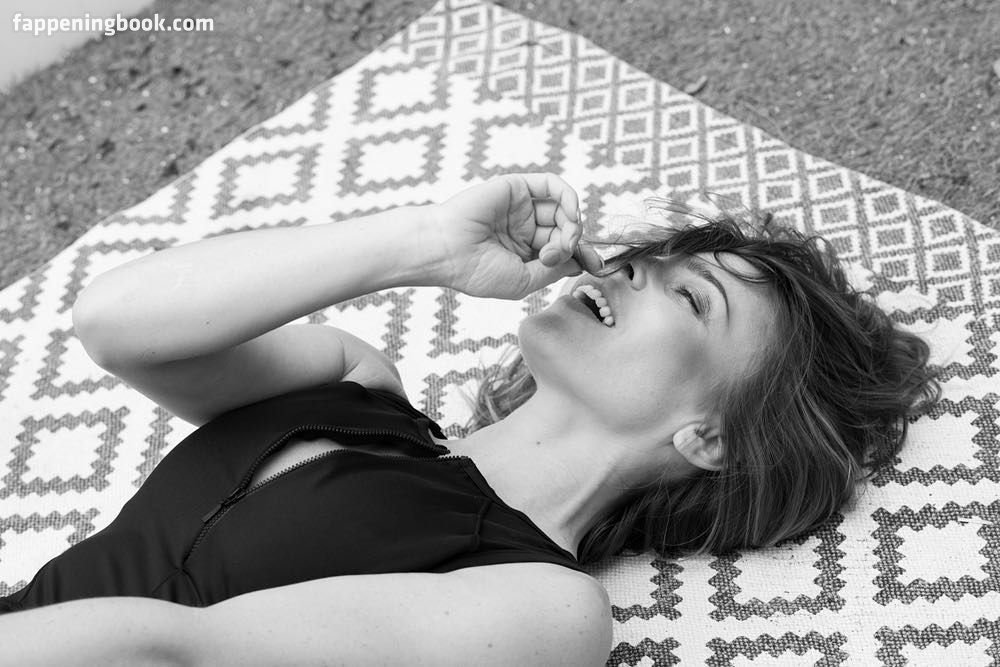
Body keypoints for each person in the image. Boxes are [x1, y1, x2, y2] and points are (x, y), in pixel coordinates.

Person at [0, 172, 938, 665]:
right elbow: (117, 323)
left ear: (713, 435)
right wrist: (425, 244)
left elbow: (169, 653)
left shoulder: (544, 608)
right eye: (643, 262)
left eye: (691, 298)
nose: (628, 271)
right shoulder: (353, 379)